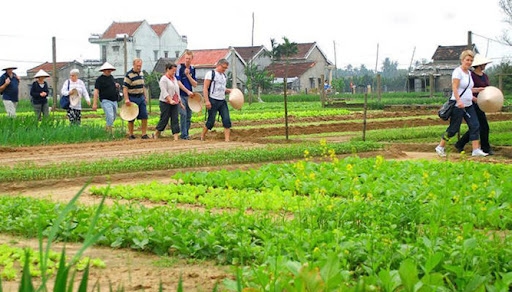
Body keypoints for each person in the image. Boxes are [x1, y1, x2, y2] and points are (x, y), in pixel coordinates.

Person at [435, 50, 488, 157]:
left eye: (471, 60)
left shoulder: (468, 73)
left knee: (475, 125)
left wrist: (477, 91)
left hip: (468, 105)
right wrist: (459, 101)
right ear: (462, 60)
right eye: (467, 60)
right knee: (453, 129)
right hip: (458, 106)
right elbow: (455, 88)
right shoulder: (457, 72)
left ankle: (475, 150)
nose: (469, 62)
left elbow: (468, 89)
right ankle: (440, 146)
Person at [454, 54, 493, 155]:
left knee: (477, 126)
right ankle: (485, 148)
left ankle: (460, 143)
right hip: (472, 102)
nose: (485, 65)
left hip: (482, 103)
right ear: (479, 65)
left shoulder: (485, 76)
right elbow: (467, 90)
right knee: (481, 126)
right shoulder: (471, 75)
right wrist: (475, 99)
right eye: (484, 64)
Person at [201, 59, 232, 142]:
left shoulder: (224, 76)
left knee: (226, 119)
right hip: (213, 100)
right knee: (211, 121)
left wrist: (228, 90)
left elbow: (222, 88)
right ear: (218, 65)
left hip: (222, 100)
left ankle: (227, 139)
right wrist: (207, 101)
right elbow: (205, 88)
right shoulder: (211, 74)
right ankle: (202, 136)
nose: (224, 69)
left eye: (226, 68)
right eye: (223, 67)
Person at [123, 58, 150, 139]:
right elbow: (125, 88)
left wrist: (145, 97)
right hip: (132, 97)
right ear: (133, 65)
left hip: (141, 97)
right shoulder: (129, 75)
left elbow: (143, 86)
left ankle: (144, 134)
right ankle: (131, 134)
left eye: (140, 66)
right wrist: (126, 99)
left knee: (144, 115)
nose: (139, 67)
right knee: (131, 117)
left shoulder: (141, 74)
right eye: (137, 65)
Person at [155, 63, 182, 141]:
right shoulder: (163, 79)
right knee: (164, 119)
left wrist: (179, 101)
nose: (174, 73)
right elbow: (164, 92)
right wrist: (170, 100)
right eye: (173, 71)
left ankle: (176, 137)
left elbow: (177, 91)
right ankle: (157, 132)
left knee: (175, 119)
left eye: (175, 71)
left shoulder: (174, 79)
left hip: (175, 102)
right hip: (165, 102)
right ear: (167, 69)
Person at [92, 62, 120, 135]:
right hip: (105, 100)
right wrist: (94, 103)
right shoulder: (99, 80)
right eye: (107, 70)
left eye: (110, 70)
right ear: (104, 70)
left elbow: (113, 85)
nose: (109, 71)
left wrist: (116, 85)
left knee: (114, 116)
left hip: (114, 100)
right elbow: (96, 91)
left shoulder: (112, 78)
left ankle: (107, 129)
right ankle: (110, 132)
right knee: (110, 116)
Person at [176, 50, 197, 140]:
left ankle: (186, 133)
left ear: (192, 59)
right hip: (181, 94)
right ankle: (183, 134)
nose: (187, 60)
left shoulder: (193, 69)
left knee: (188, 115)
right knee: (183, 114)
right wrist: (187, 91)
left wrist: (188, 75)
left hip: (190, 96)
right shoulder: (179, 67)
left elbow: (195, 84)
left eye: (189, 58)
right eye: (186, 58)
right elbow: (178, 82)